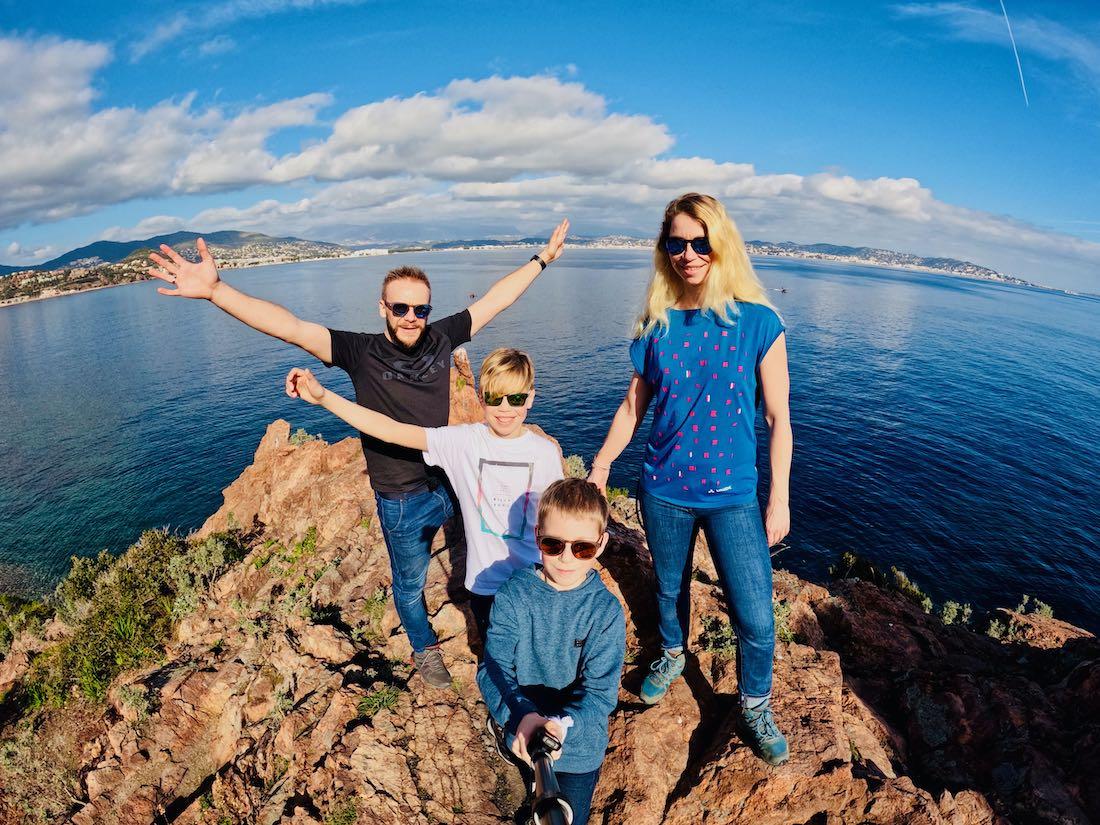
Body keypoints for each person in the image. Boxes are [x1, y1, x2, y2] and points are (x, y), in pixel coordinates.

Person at [145, 219, 569, 689]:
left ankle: (489, 614)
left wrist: (542, 260)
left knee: (478, 549)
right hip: (401, 495)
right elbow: (290, 327)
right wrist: (216, 291)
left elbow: (496, 299)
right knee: (408, 584)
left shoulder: (442, 338)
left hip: (448, 477)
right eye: (401, 307)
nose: (411, 316)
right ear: (383, 308)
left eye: (421, 308)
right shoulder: (359, 351)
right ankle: (423, 648)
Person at [588, 193, 792, 765]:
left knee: (754, 612)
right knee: (668, 588)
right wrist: (601, 466)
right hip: (664, 491)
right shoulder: (656, 325)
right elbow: (631, 409)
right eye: (676, 243)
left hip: (732, 498)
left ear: (719, 245)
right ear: (664, 250)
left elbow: (778, 418)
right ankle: (673, 653)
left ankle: (754, 702)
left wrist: (779, 500)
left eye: (700, 242)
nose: (688, 254)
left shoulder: (760, 322)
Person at [284, 348, 564, 645]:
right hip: (486, 586)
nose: (506, 408)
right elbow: (390, 431)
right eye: (496, 398)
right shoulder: (463, 442)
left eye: (517, 398)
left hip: (536, 581)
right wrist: (324, 397)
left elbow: (561, 522)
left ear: (531, 397)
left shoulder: (544, 454)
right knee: (497, 657)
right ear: (481, 398)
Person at [477, 478, 625, 825]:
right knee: (530, 780)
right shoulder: (514, 594)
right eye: (553, 544)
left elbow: (600, 695)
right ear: (537, 536)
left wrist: (559, 725)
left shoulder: (604, 612)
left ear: (600, 544)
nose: (566, 558)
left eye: (583, 548)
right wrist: (522, 716)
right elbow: (492, 666)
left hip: (577, 750)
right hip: (523, 727)